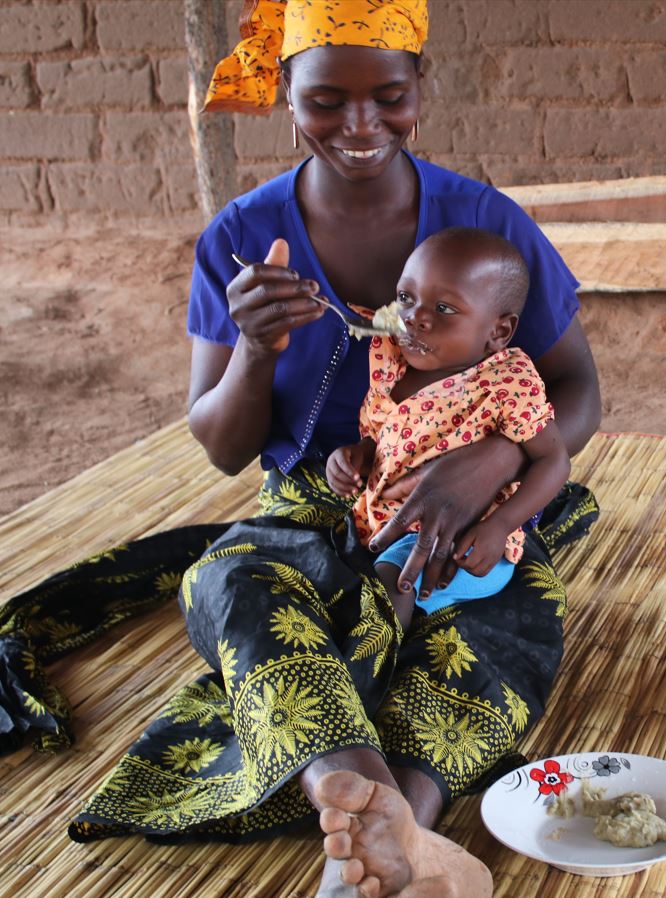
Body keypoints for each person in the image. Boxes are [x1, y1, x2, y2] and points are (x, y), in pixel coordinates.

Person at [0, 3, 601, 897]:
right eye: (326, 101)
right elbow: (219, 448)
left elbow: (578, 392)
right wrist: (253, 349)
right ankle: (362, 811)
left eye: (387, 95)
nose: (360, 126)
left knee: (508, 619)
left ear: (420, 89)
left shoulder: (485, 224)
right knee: (229, 580)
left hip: (470, 505)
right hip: (313, 505)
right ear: (285, 94)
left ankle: (394, 828)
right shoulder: (241, 240)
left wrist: (497, 462)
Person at [326, 228, 571, 631]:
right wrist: (356, 456)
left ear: (498, 332)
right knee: (356, 573)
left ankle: (368, 666)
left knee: (392, 585)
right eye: (406, 298)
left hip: (460, 542)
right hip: (383, 523)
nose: (415, 318)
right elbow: (383, 438)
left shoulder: (504, 383)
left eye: (443, 308)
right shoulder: (394, 368)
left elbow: (553, 459)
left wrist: (499, 526)